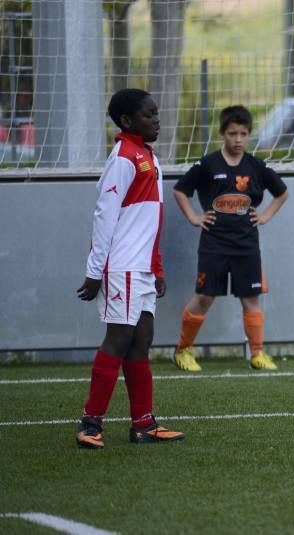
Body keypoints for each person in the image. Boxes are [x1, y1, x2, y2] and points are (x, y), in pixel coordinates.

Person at [75, 88, 184, 449]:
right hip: (120, 266)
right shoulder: (123, 157)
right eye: (148, 115)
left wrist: (157, 267)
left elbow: (151, 221)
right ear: (126, 121)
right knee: (119, 339)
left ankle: (143, 424)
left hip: (142, 270)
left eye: (156, 113)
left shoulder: (149, 157)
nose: (156, 119)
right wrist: (95, 270)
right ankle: (91, 423)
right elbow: (104, 215)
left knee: (142, 340)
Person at [173, 105, 288, 372]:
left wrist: (265, 216)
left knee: (251, 298)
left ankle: (257, 354)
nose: (238, 139)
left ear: (249, 135)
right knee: (204, 297)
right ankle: (183, 350)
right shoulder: (208, 164)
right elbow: (181, 191)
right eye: (232, 133)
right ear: (222, 133)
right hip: (213, 243)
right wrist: (194, 217)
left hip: (247, 244)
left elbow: (281, 193)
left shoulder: (256, 166)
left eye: (243, 133)